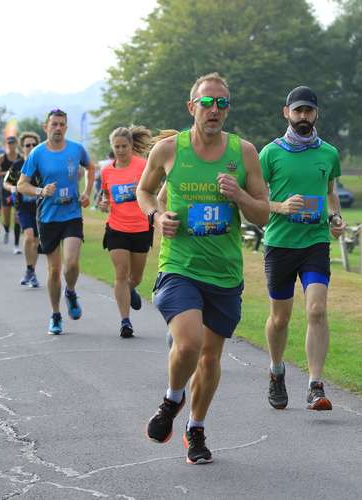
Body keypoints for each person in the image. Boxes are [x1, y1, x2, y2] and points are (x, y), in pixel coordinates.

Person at [136, 73, 269, 464]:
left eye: (222, 103)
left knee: (210, 358)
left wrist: (240, 195)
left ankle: (196, 429)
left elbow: (262, 214)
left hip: (225, 272)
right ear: (191, 107)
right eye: (207, 103)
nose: (215, 110)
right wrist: (157, 218)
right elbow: (144, 192)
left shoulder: (243, 152)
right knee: (189, 343)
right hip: (180, 265)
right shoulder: (168, 150)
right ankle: (171, 400)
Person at [259, 86, 346, 412]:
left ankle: (315, 385)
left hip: (315, 243)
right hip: (280, 244)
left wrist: (336, 217)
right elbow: (255, 201)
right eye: (298, 111)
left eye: (308, 111)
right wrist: (280, 207)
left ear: (316, 114)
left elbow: (330, 192)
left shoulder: (329, 153)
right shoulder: (270, 153)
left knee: (317, 310)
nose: (303, 117)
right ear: (287, 113)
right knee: (280, 320)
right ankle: (277, 370)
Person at [17, 109, 96, 335]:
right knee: (54, 270)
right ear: (46, 127)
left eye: (62, 124)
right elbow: (22, 184)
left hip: (72, 213)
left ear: (66, 127)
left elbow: (91, 167)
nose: (58, 128)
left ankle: (70, 291)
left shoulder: (76, 149)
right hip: (47, 217)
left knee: (71, 264)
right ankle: (55, 314)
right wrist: (41, 190)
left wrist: (87, 192)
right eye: (54, 124)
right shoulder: (37, 153)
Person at [98, 126, 153, 338]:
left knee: (135, 277)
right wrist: (103, 203)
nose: (120, 150)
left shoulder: (144, 166)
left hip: (141, 228)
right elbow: (104, 197)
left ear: (131, 146)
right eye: (117, 147)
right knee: (120, 274)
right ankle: (125, 321)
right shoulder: (107, 171)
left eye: (124, 146)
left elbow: (153, 191)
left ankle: (130, 290)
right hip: (116, 228)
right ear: (112, 147)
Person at [1, 132, 41, 286]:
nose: (30, 147)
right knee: (29, 236)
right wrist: (12, 188)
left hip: (39, 207)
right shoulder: (17, 165)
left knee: (36, 241)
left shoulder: (41, 164)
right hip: (22, 207)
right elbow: (6, 182)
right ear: (22, 147)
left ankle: (32, 271)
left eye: (33, 145)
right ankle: (29, 268)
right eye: (27, 145)